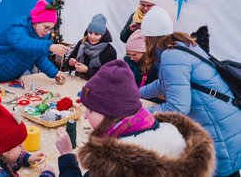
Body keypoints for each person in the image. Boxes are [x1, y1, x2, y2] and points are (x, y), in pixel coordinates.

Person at [55, 60, 215, 177]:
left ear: (111, 111)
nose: (85, 115)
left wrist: (67, 156)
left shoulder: (114, 164)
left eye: (90, 109)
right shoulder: (172, 133)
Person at [139, 6, 241, 177]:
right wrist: (137, 93)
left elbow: (178, 107)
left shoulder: (171, 55)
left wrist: (139, 113)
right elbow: (165, 84)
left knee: (226, 172)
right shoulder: (180, 46)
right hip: (227, 120)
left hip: (219, 129)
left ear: (149, 38)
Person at [0, 0, 69, 84]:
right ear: (36, 21)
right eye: (46, 27)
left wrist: (55, 74)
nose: (47, 32)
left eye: (50, 29)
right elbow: (22, 43)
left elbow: (39, 57)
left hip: (11, 76)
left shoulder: (40, 35)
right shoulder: (17, 28)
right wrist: (49, 46)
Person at [63, 14, 117, 80]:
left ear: (103, 35)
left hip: (97, 85)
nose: (92, 36)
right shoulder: (82, 43)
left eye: (96, 34)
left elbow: (107, 77)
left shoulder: (109, 51)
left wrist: (87, 70)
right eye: (90, 33)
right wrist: (70, 62)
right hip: (78, 80)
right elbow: (68, 62)